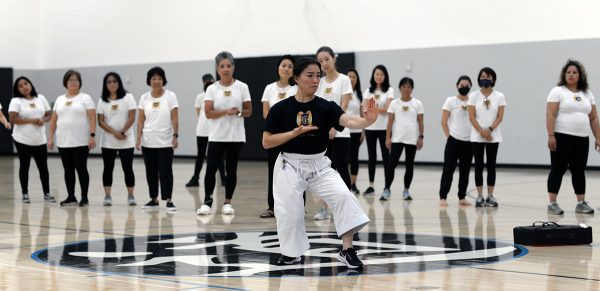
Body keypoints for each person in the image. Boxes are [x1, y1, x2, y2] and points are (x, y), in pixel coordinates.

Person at [263, 57, 377, 269]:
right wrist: (293, 133)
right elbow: (267, 141)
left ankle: (347, 249)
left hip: (319, 165)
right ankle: (291, 253)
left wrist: (366, 121)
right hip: (289, 165)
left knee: (344, 196)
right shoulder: (280, 109)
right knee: (291, 213)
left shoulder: (326, 107)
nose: (316, 80)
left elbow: (349, 121)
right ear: (296, 78)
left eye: (318, 76)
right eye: (310, 75)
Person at [196, 51, 252, 216]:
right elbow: (208, 113)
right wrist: (226, 111)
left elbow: (248, 111)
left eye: (228, 65)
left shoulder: (242, 87)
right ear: (217, 68)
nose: (226, 69)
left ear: (233, 67)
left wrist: (239, 113)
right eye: (222, 66)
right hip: (216, 136)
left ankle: (227, 203)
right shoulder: (212, 89)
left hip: (235, 136)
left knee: (231, 169)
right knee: (211, 168)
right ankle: (207, 202)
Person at [546, 60, 599, 215]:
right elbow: (550, 114)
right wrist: (551, 135)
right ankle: (552, 203)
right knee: (558, 169)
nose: (571, 75)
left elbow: (594, 117)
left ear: (580, 75)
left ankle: (581, 203)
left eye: (574, 72)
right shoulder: (558, 91)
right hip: (561, 137)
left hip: (582, 138)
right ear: (564, 74)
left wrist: (598, 137)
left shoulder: (587, 94)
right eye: (568, 72)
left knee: (579, 170)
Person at [314, 46, 353, 220]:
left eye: (326, 59)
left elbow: (343, 105)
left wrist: (334, 127)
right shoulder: (320, 82)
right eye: (320, 61)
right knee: (323, 171)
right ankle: (324, 208)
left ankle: (347, 207)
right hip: (322, 135)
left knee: (342, 169)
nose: (324, 63)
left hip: (341, 133)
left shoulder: (344, 80)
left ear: (334, 59)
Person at [48, 69, 96, 207]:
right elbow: (53, 120)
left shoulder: (85, 98)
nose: (73, 82)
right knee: (68, 170)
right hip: (63, 141)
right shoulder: (59, 99)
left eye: (76, 80)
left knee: (81, 168)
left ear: (80, 82)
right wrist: (50, 137)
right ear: (65, 83)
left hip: (80, 141)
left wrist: (92, 135)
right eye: (70, 80)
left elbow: (92, 118)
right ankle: (71, 196)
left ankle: (84, 197)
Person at [136, 66, 178, 211]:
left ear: (163, 80)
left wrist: (175, 135)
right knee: (151, 172)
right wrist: (138, 137)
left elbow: (174, 117)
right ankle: (153, 199)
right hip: (148, 141)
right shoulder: (144, 98)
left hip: (165, 141)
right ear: (149, 81)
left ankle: (169, 199)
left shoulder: (170, 96)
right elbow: (140, 120)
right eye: (153, 78)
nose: (156, 81)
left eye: (159, 78)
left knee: (165, 171)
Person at [259, 55, 297, 218]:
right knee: (273, 172)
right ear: (278, 68)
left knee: (295, 173)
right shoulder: (269, 88)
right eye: (283, 65)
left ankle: (297, 207)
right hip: (274, 136)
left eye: (290, 66)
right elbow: (266, 112)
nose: (286, 68)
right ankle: (272, 207)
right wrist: (276, 127)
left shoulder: (296, 88)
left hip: (292, 136)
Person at [8, 76, 53, 203]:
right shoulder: (16, 101)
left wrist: (42, 120)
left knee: (43, 167)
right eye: (20, 86)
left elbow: (49, 114)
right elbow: (12, 119)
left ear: (31, 84)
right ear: (17, 90)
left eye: (26, 83)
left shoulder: (41, 98)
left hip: (39, 139)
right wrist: (32, 121)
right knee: (24, 166)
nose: (24, 87)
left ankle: (47, 193)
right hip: (22, 139)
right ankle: (25, 193)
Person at [97, 72, 137, 207]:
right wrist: (115, 133)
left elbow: (132, 117)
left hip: (126, 140)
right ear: (105, 84)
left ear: (119, 83)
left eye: (114, 81)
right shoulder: (102, 100)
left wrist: (123, 131)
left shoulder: (128, 97)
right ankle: (107, 196)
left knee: (128, 168)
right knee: (108, 168)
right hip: (108, 141)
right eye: (109, 82)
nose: (112, 84)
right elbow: (100, 121)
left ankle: (131, 195)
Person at [468, 67, 506, 207]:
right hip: (477, 136)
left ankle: (490, 195)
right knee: (478, 165)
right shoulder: (473, 96)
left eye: (488, 76)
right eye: (483, 76)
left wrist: (489, 130)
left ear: (493, 79)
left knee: (491, 165)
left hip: (493, 136)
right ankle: (479, 196)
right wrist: (481, 131)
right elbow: (471, 117)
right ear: (479, 78)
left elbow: (500, 117)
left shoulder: (499, 96)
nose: (486, 78)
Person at [383, 77, 424, 201]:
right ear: (400, 88)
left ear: (412, 89)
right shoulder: (394, 103)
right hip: (397, 139)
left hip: (411, 140)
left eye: (409, 87)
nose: (406, 89)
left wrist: (421, 137)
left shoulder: (417, 103)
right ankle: (387, 189)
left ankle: (406, 190)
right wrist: (387, 138)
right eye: (404, 86)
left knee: (409, 166)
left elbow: (421, 121)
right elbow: (390, 121)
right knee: (391, 165)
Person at [185, 74, 226, 187]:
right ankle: (195, 178)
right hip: (202, 130)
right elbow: (199, 113)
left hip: (215, 130)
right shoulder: (200, 97)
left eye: (210, 80)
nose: (208, 82)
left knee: (219, 156)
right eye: (205, 81)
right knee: (201, 155)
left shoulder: (219, 95)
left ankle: (223, 178)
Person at [439, 76, 473, 207]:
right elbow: (443, 121)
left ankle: (462, 197)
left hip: (469, 142)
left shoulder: (472, 101)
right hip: (453, 141)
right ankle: (443, 197)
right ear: (457, 85)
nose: (464, 86)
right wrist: (449, 136)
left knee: (465, 170)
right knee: (448, 169)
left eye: (467, 85)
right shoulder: (450, 101)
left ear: (470, 87)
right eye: (462, 84)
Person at [363, 65, 394, 195]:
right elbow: (364, 108)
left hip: (383, 128)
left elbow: (388, 109)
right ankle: (371, 186)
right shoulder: (368, 91)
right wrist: (374, 110)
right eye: (377, 74)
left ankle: (387, 187)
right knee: (372, 157)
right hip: (370, 127)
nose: (379, 76)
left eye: (381, 74)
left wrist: (372, 109)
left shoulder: (389, 90)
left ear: (385, 76)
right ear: (373, 76)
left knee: (386, 157)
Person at [346, 69, 364, 195]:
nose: (351, 79)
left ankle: (353, 184)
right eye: (349, 77)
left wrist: (363, 131)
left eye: (354, 77)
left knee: (354, 158)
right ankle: (344, 184)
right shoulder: (343, 92)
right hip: (344, 131)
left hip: (357, 130)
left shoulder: (359, 95)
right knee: (343, 159)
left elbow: (362, 114)